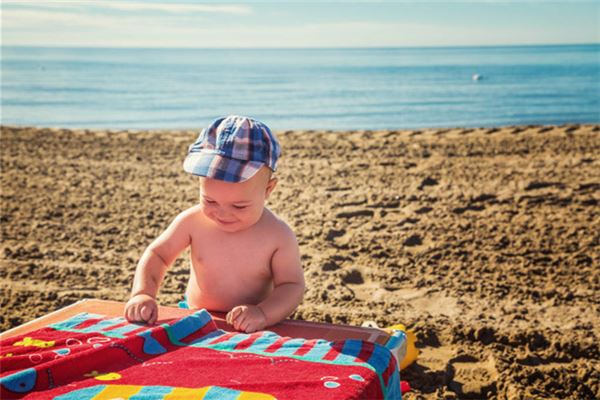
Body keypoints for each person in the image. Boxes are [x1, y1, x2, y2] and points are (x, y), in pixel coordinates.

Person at [124, 115, 305, 333]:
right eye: (209, 200)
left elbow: (292, 286)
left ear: (268, 190)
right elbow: (158, 255)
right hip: (196, 315)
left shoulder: (277, 235)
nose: (222, 213)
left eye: (239, 206)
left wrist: (263, 313)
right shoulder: (192, 221)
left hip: (255, 323)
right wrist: (143, 293)